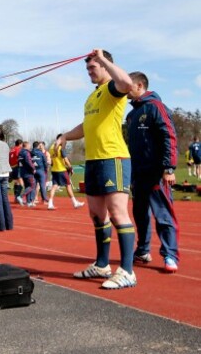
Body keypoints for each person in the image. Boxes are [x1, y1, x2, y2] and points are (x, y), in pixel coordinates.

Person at [57, 49, 137, 289]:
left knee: (117, 213)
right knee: (96, 214)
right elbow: (86, 125)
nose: (89, 72)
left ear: (104, 65)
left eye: (93, 67)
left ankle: (128, 271)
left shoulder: (113, 88)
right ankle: (102, 264)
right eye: (88, 69)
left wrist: (102, 58)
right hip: (93, 161)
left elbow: (127, 83)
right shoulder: (92, 97)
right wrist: (65, 137)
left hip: (113, 158)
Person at [126, 71, 180, 273]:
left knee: (163, 215)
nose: (124, 88)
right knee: (140, 214)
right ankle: (142, 250)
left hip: (157, 172)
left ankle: (170, 254)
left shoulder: (156, 107)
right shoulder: (131, 116)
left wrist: (169, 168)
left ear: (140, 85)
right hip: (138, 174)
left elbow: (169, 136)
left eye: (128, 85)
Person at [47, 134, 85, 210]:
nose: (66, 141)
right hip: (61, 170)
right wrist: (71, 167)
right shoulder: (60, 148)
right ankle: (75, 203)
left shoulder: (51, 148)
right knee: (68, 186)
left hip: (54, 170)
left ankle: (50, 203)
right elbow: (66, 160)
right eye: (65, 140)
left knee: (54, 186)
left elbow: (50, 160)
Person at [17, 141, 36, 207]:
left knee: (27, 187)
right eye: (29, 145)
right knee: (32, 185)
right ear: (26, 146)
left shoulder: (20, 153)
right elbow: (29, 162)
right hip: (28, 172)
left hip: (22, 172)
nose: (30, 147)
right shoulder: (26, 153)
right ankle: (21, 196)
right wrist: (33, 168)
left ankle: (28, 202)